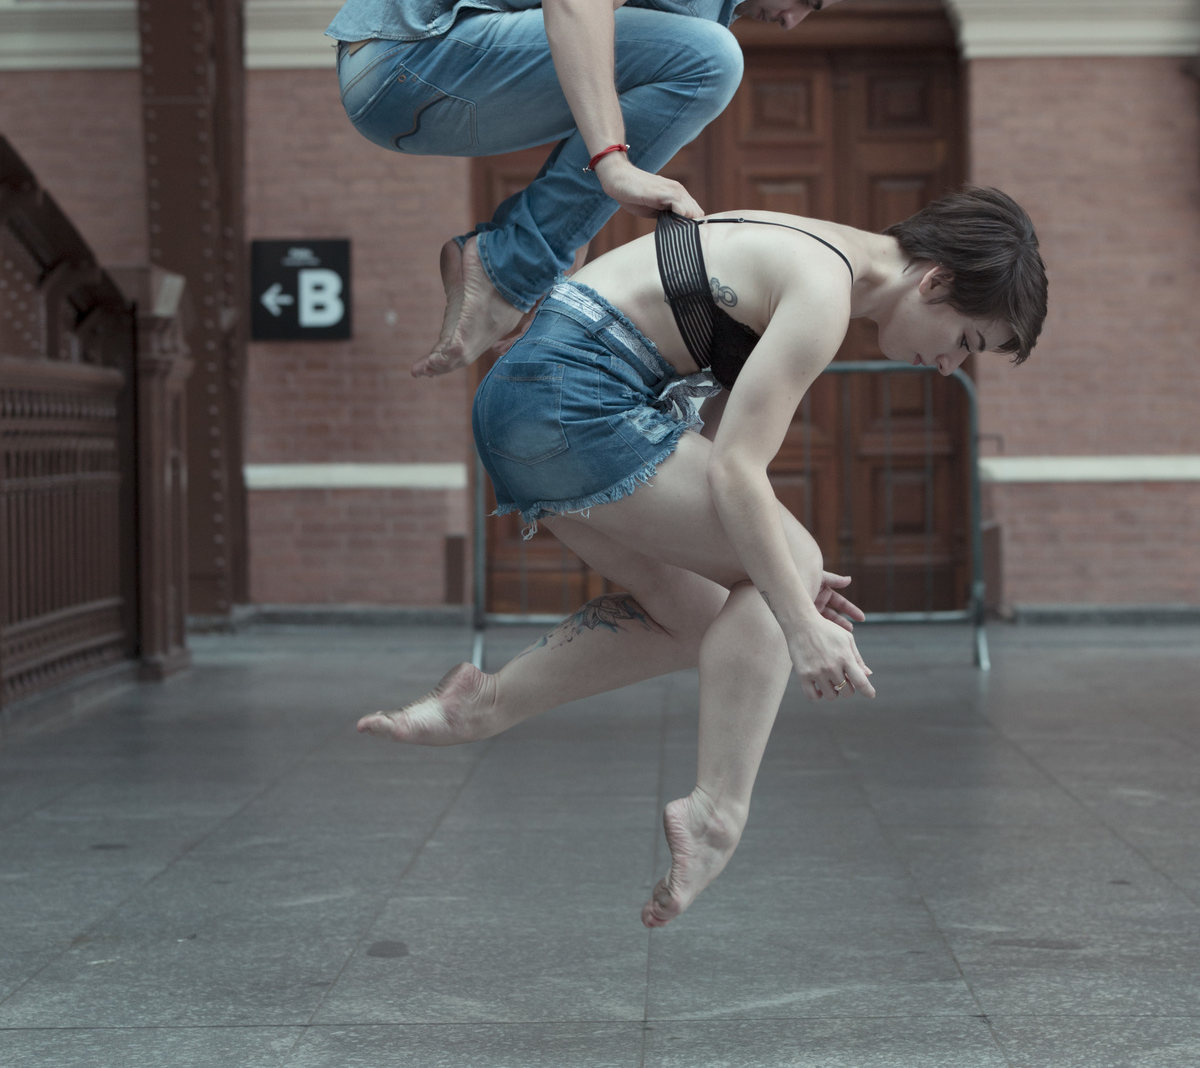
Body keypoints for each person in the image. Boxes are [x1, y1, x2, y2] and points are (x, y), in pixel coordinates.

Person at [358, 187, 1048, 928]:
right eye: (967, 341)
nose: (948, 367)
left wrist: (782, 584)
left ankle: (484, 704)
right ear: (936, 280)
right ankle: (718, 811)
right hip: (571, 400)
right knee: (791, 562)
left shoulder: (807, 244)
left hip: (520, 407)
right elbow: (734, 473)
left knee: (702, 614)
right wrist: (799, 616)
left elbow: (715, 457)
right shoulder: (822, 287)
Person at [330, 0, 880, 376]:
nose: (793, 22)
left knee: (699, 54)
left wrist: (565, 243)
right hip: (409, 53)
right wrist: (612, 164)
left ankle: (510, 266)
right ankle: (505, 264)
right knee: (712, 59)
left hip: (412, 98)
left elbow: (590, 72)